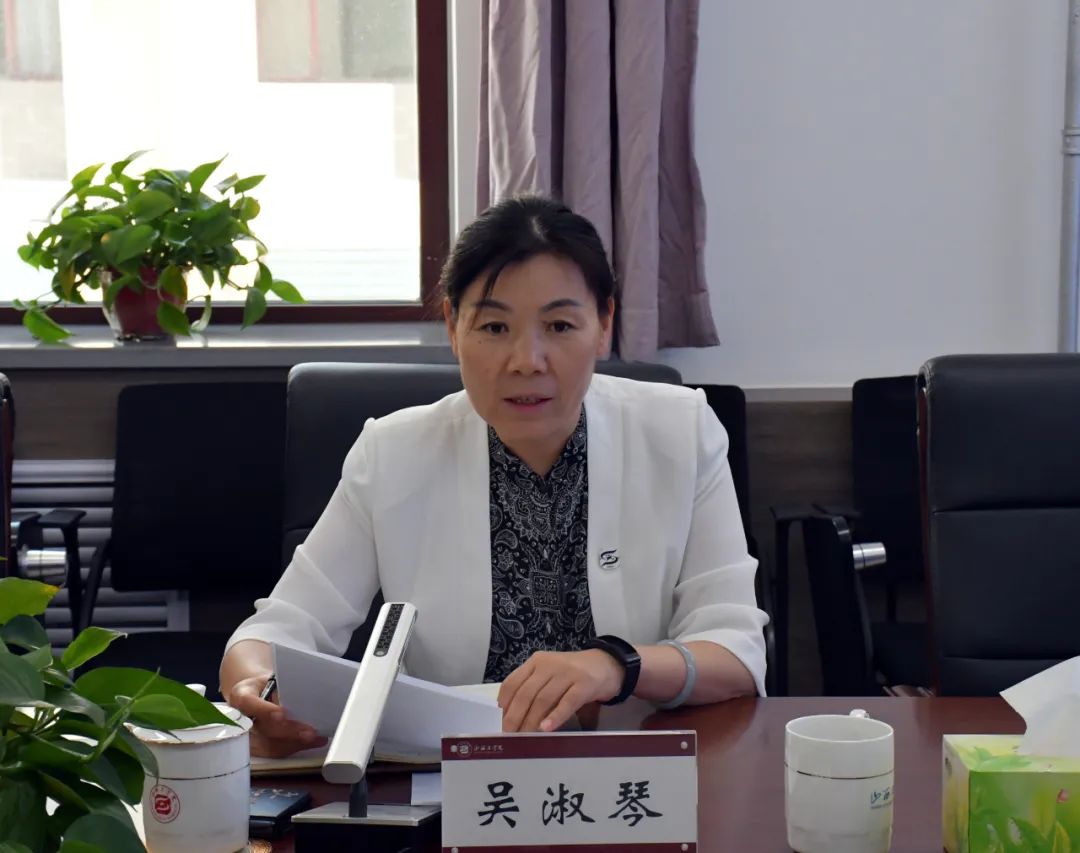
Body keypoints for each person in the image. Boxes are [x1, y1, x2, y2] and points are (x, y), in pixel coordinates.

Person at [220, 196, 768, 758]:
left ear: (604, 324)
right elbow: (278, 631)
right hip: (447, 777)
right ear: (453, 327)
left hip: (638, 773)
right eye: (494, 326)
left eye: (559, 325)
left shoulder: (680, 431)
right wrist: (257, 688)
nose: (526, 360)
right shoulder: (392, 453)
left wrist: (615, 665)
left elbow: (736, 654)